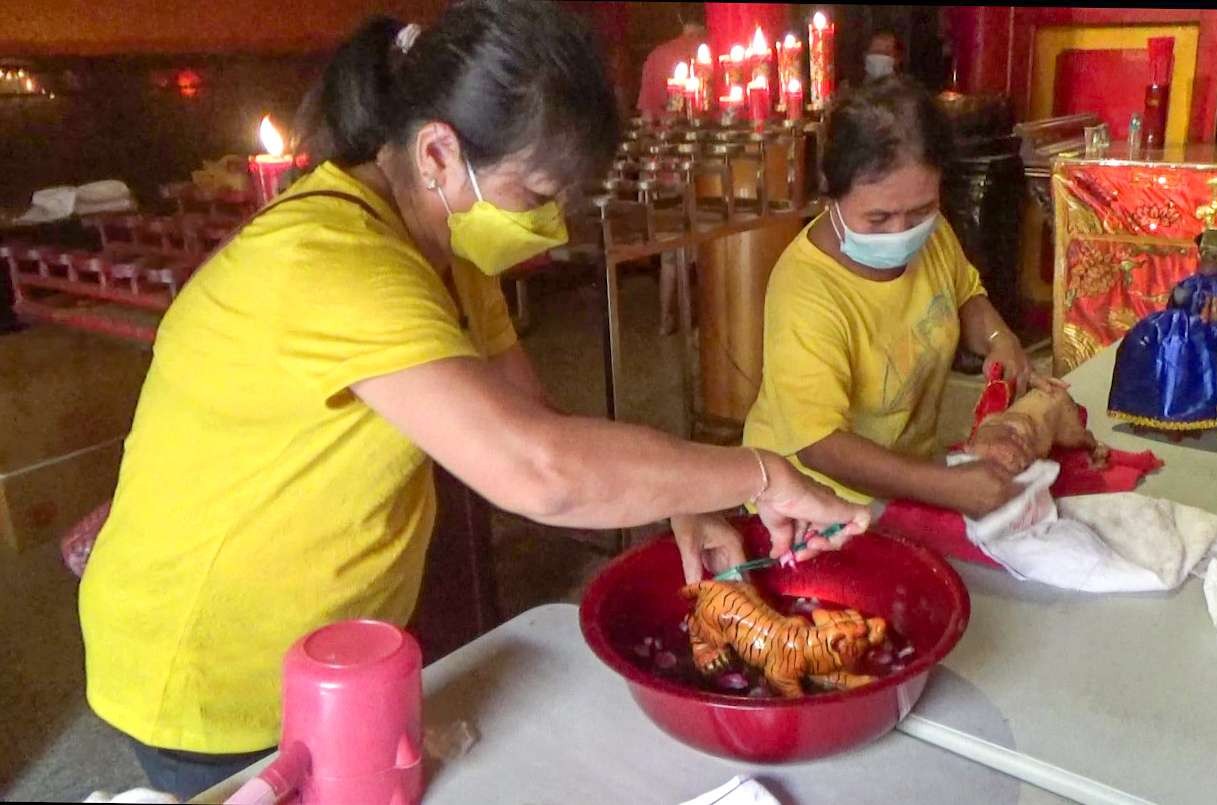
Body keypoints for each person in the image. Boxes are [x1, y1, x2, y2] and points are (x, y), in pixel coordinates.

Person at [77, 2, 867, 798]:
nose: (548, 225)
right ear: (437, 152)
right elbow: (538, 472)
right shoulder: (332, 264)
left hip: (336, 645)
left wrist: (682, 501)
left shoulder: (444, 257)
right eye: (534, 193)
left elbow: (540, 425)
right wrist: (756, 474)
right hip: (210, 657)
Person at [673, 76, 1061, 565]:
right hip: (811, 509)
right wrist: (946, 486)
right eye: (877, 219)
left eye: (921, 209)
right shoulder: (806, 289)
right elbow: (821, 447)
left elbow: (965, 294)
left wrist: (999, 339)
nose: (902, 230)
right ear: (830, 195)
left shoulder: (934, 235)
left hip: (909, 481)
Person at [635, 3, 708, 334]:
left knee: (669, 250)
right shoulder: (715, 57)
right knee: (703, 247)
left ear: (678, 16)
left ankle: (666, 319)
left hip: (664, 165)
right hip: (706, 166)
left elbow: (648, 119)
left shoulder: (657, 57)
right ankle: (701, 318)